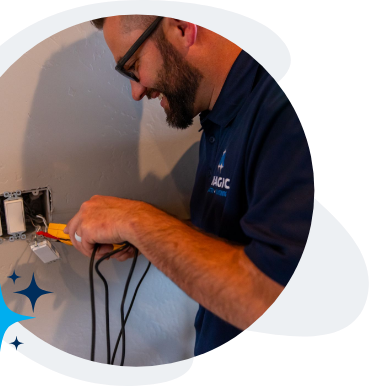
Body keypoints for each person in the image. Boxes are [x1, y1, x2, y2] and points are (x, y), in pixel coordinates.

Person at [63, 15, 315, 356]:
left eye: (133, 65)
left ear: (182, 27)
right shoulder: (217, 112)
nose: (136, 91)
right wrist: (144, 237)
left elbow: (271, 295)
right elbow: (234, 239)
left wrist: (136, 220)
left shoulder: (281, 113)